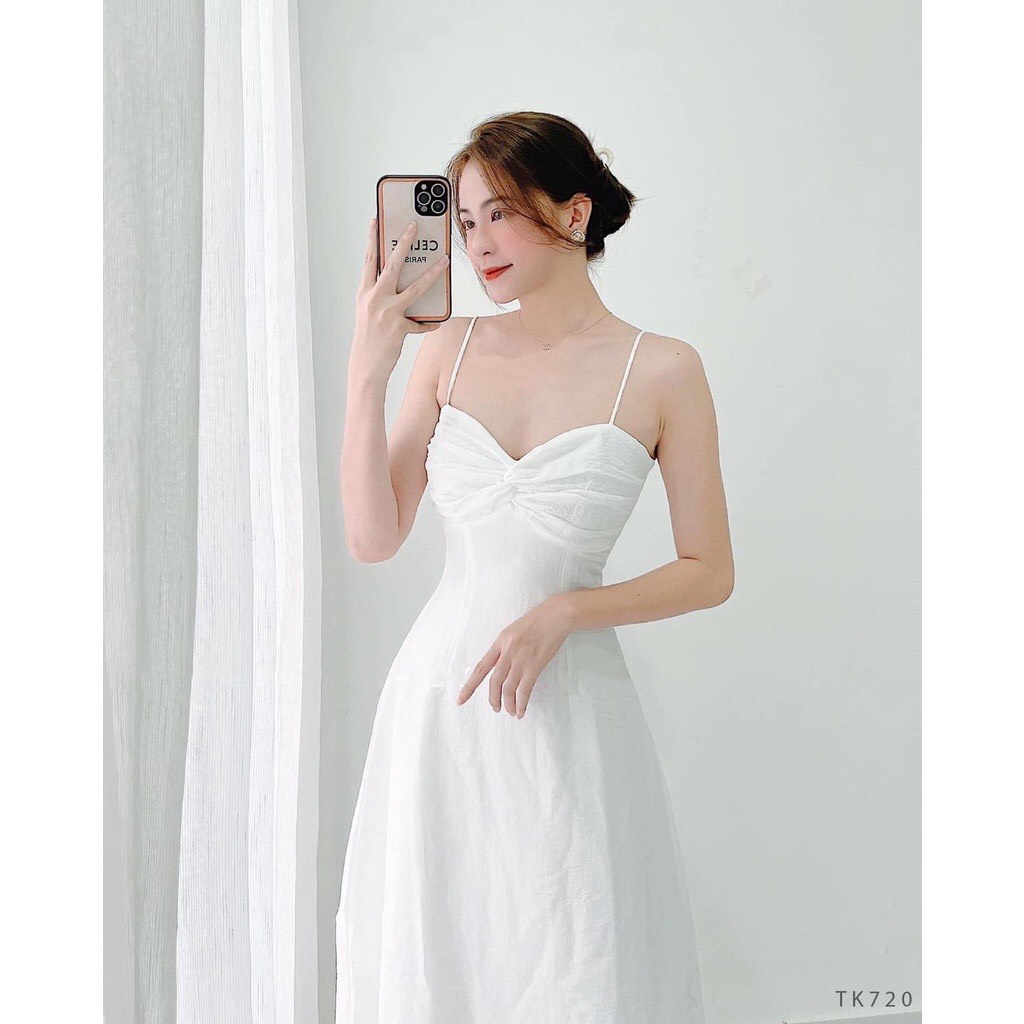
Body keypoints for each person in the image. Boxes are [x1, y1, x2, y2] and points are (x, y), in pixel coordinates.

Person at [336, 111, 733, 1023]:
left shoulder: (663, 370)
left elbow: (709, 569)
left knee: (571, 949)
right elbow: (373, 536)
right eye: (465, 221)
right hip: (441, 704)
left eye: (502, 214)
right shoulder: (449, 347)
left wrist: (565, 611)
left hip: (571, 708)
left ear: (574, 214)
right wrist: (367, 372)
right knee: (443, 950)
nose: (477, 244)